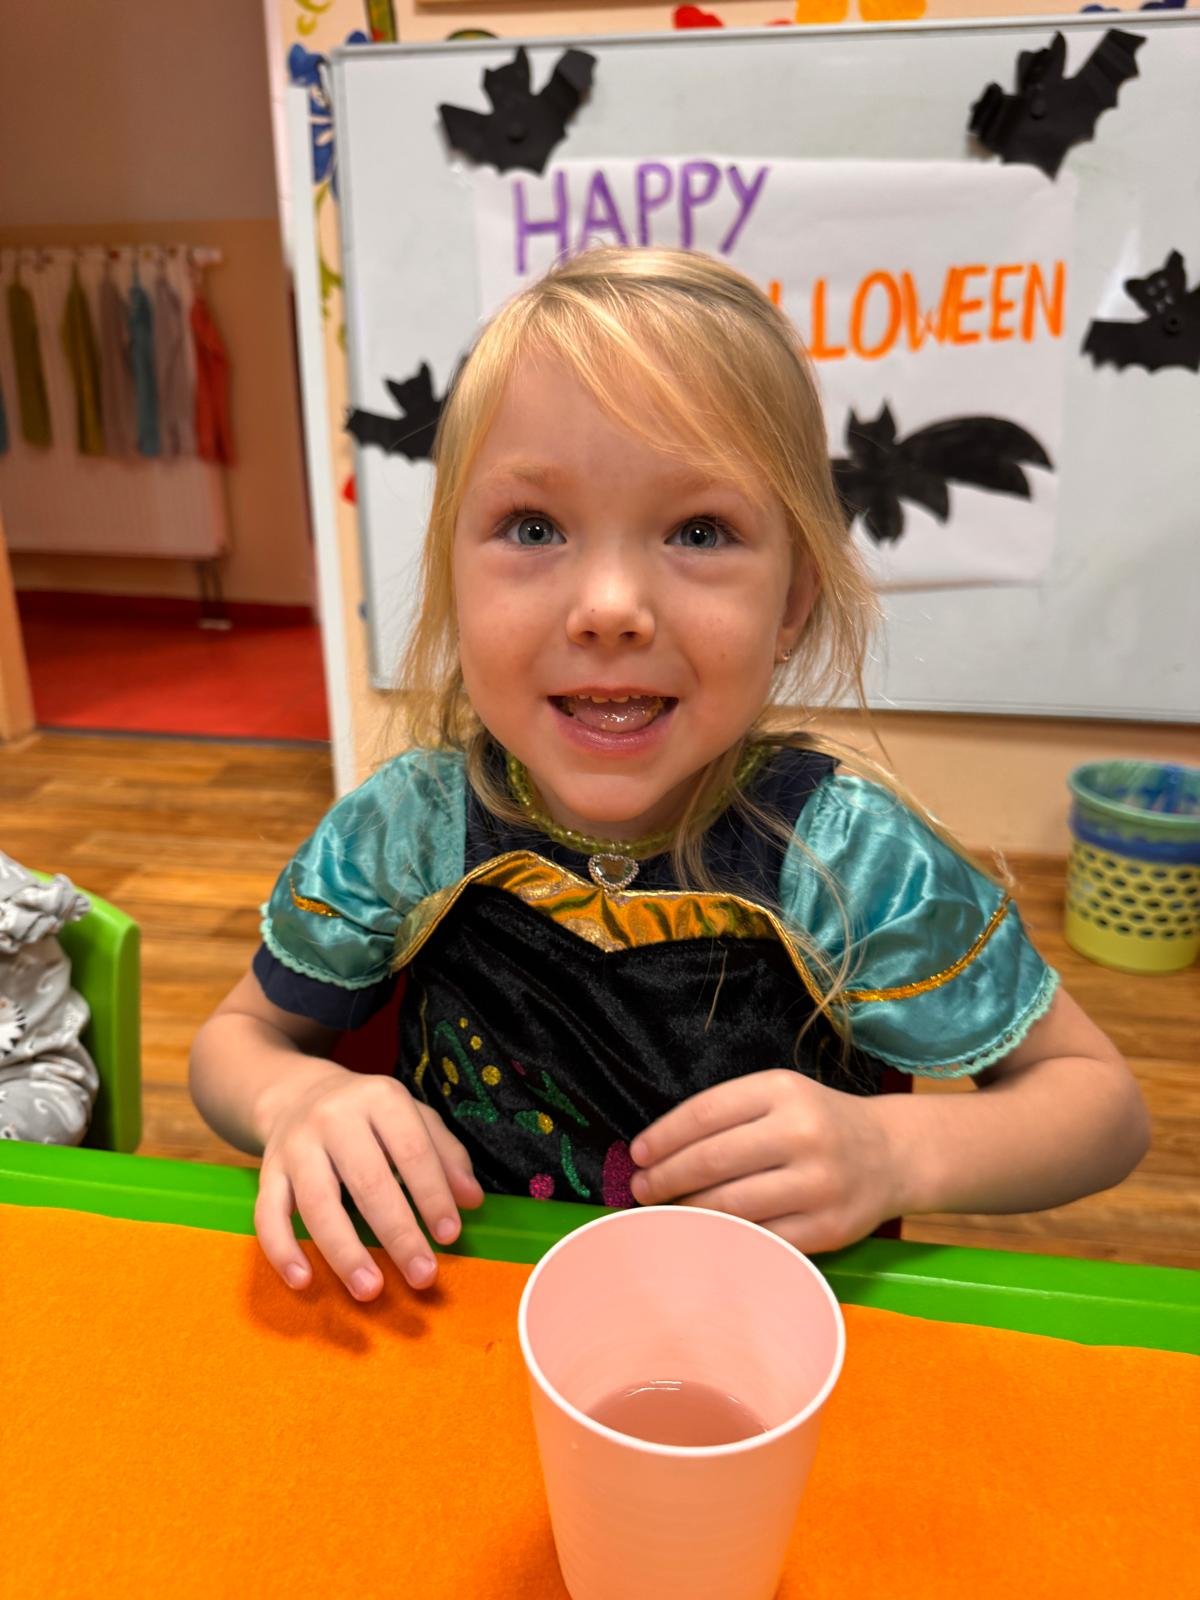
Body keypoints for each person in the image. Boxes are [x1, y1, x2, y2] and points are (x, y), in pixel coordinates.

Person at [190, 247, 1149, 1303]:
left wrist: (893, 1152)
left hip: (758, 1344)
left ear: (792, 603)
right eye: (533, 528)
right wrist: (294, 1099)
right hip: (461, 1324)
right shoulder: (405, 832)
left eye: (699, 530)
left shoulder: (854, 859)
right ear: (454, 581)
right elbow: (237, 1041)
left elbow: (1100, 1107)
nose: (610, 606)